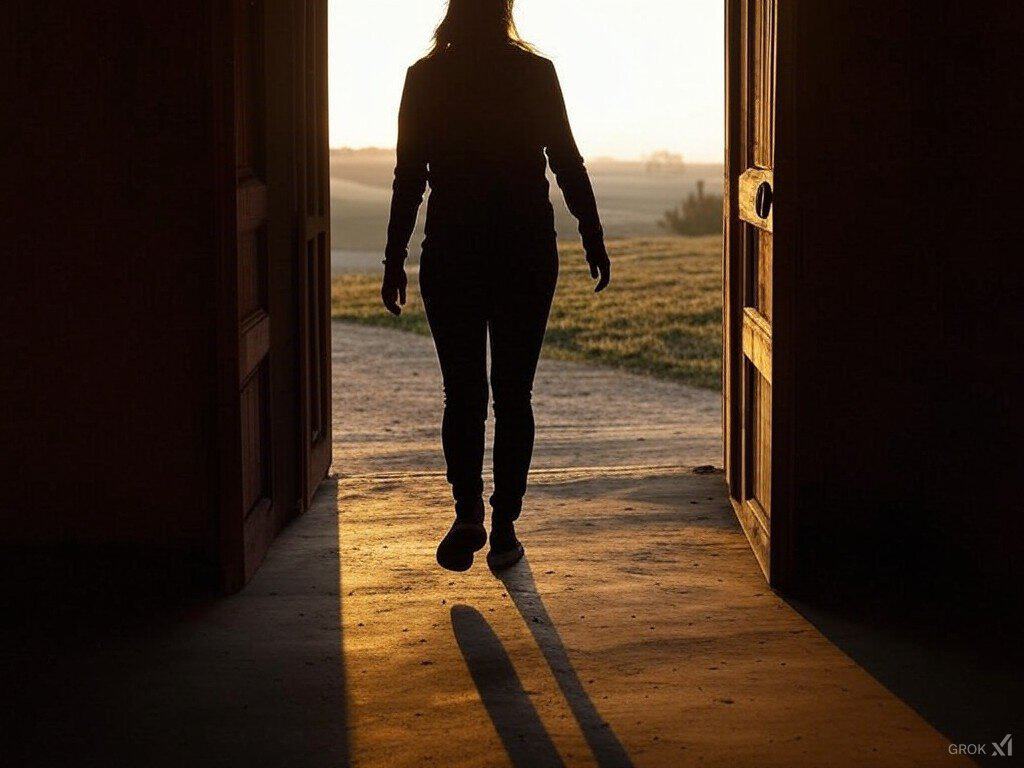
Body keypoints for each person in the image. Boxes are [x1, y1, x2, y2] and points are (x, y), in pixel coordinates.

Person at [381, 0, 610, 573]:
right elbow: (567, 161)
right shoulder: (534, 73)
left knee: (462, 393)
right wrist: (592, 234)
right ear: (505, 8)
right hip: (525, 253)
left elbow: (409, 175)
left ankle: (467, 515)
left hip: (452, 253)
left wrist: (393, 258)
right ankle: (505, 527)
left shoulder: (425, 77)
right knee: (514, 396)